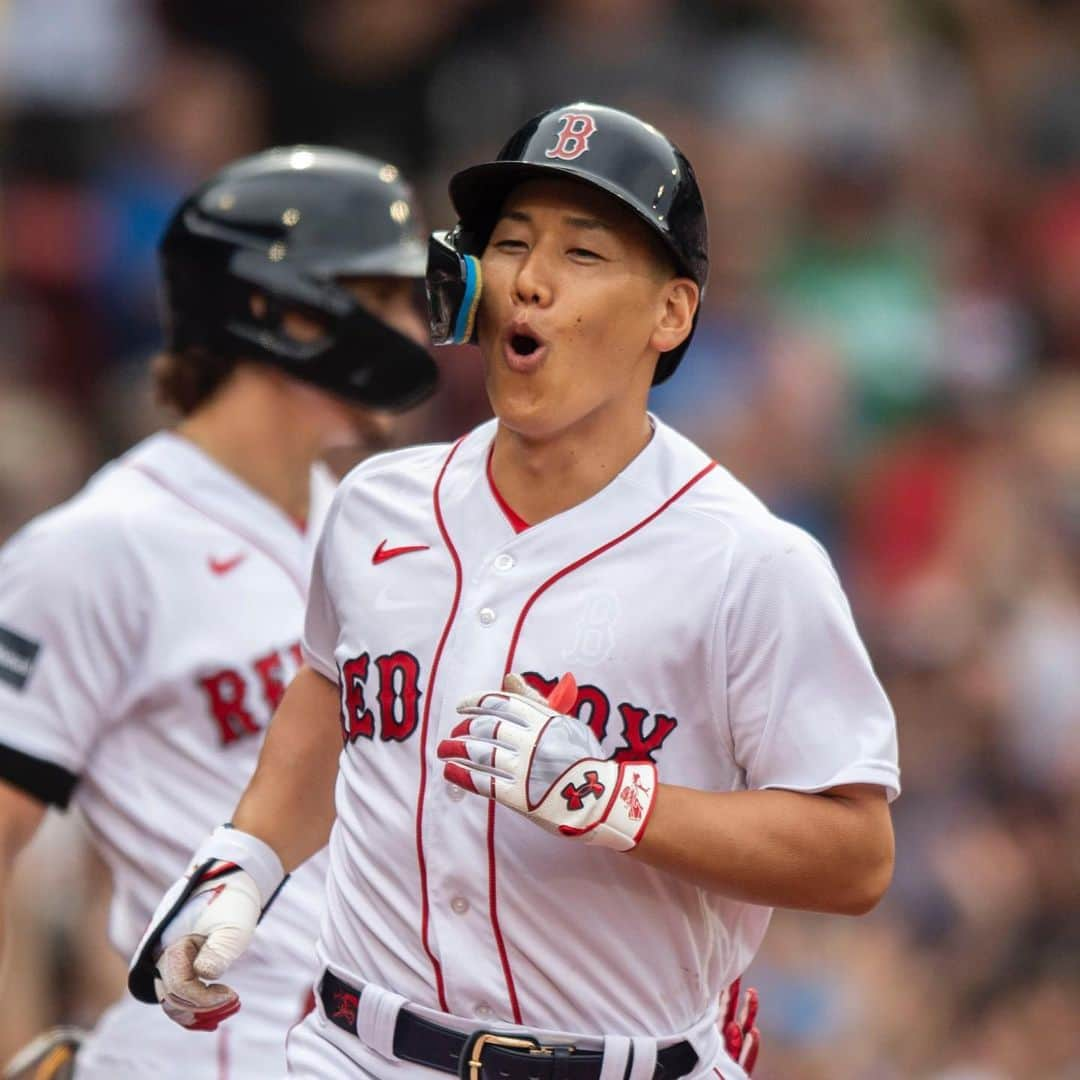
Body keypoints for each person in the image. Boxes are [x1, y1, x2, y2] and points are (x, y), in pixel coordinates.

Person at [131, 103, 898, 1079]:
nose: (529, 281)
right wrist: (244, 861)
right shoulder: (377, 507)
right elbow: (336, 692)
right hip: (354, 1048)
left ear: (670, 313)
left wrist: (618, 799)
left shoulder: (750, 562)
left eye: (583, 254)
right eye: (509, 245)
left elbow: (856, 852)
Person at [0, 145, 437, 1080]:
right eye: (389, 296)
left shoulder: (373, 527)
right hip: (214, 1044)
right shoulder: (100, 542)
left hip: (370, 1044)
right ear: (282, 311)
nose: (417, 325)